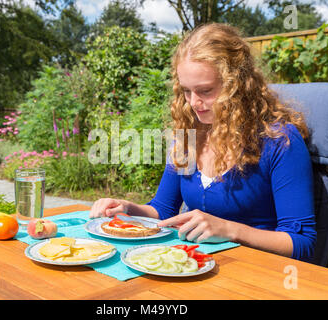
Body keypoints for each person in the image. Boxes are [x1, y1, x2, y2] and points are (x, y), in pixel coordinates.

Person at [90, 23, 316, 262]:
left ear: (237, 85)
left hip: (258, 276)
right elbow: (163, 209)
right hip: (196, 268)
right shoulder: (188, 135)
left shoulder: (279, 141)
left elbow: (302, 243)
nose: (194, 102)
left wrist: (229, 230)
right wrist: (128, 208)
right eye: (186, 91)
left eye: (206, 91)